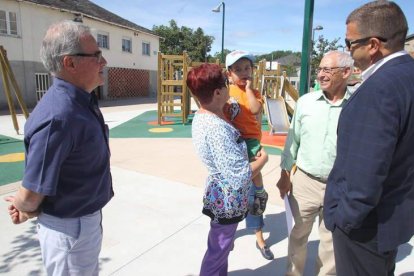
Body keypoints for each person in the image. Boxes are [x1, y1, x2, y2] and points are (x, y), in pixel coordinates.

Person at [5, 20, 113, 275]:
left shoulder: (78, 102)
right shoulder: (60, 117)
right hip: (70, 232)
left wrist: (27, 206)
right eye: (96, 55)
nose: (104, 61)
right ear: (70, 63)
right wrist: (22, 204)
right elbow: (31, 194)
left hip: (78, 226)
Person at [323, 1, 414, 275]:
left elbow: (367, 169)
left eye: (350, 43)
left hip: (365, 229)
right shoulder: (406, 76)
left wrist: (345, 220)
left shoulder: (379, 89)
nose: (348, 49)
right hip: (390, 218)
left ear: (373, 45)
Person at [277, 50, 354, 275]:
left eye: (327, 70)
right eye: (319, 69)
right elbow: (293, 141)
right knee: (297, 236)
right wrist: (284, 175)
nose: (320, 74)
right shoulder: (305, 102)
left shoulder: (357, 105)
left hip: (339, 187)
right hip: (305, 183)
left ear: (346, 72)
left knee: (331, 244)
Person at [187, 63, 268, 275]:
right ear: (217, 92)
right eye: (225, 84)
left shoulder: (207, 115)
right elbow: (240, 177)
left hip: (220, 195)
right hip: (227, 200)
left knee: (220, 247)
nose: (229, 86)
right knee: (219, 250)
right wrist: (263, 160)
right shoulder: (216, 128)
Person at [224, 50, 273, 260]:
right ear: (229, 74)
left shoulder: (254, 92)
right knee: (234, 194)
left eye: (247, 68)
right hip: (233, 142)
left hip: (250, 140)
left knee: (254, 195)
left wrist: (250, 90)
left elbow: (254, 110)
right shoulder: (226, 92)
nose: (244, 72)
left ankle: (259, 238)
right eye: (238, 70)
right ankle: (229, 235)